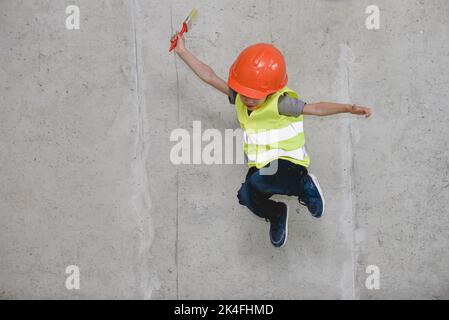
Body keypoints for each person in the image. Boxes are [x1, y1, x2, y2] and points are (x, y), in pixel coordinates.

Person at [170, 32, 372, 248]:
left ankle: (305, 185)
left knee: (260, 180)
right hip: (264, 165)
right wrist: (182, 51)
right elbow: (209, 76)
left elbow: (316, 108)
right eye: (244, 92)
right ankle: (276, 213)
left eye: (254, 95)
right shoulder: (239, 97)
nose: (247, 99)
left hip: (288, 163)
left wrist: (348, 108)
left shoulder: (281, 104)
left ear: (270, 90)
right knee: (246, 194)